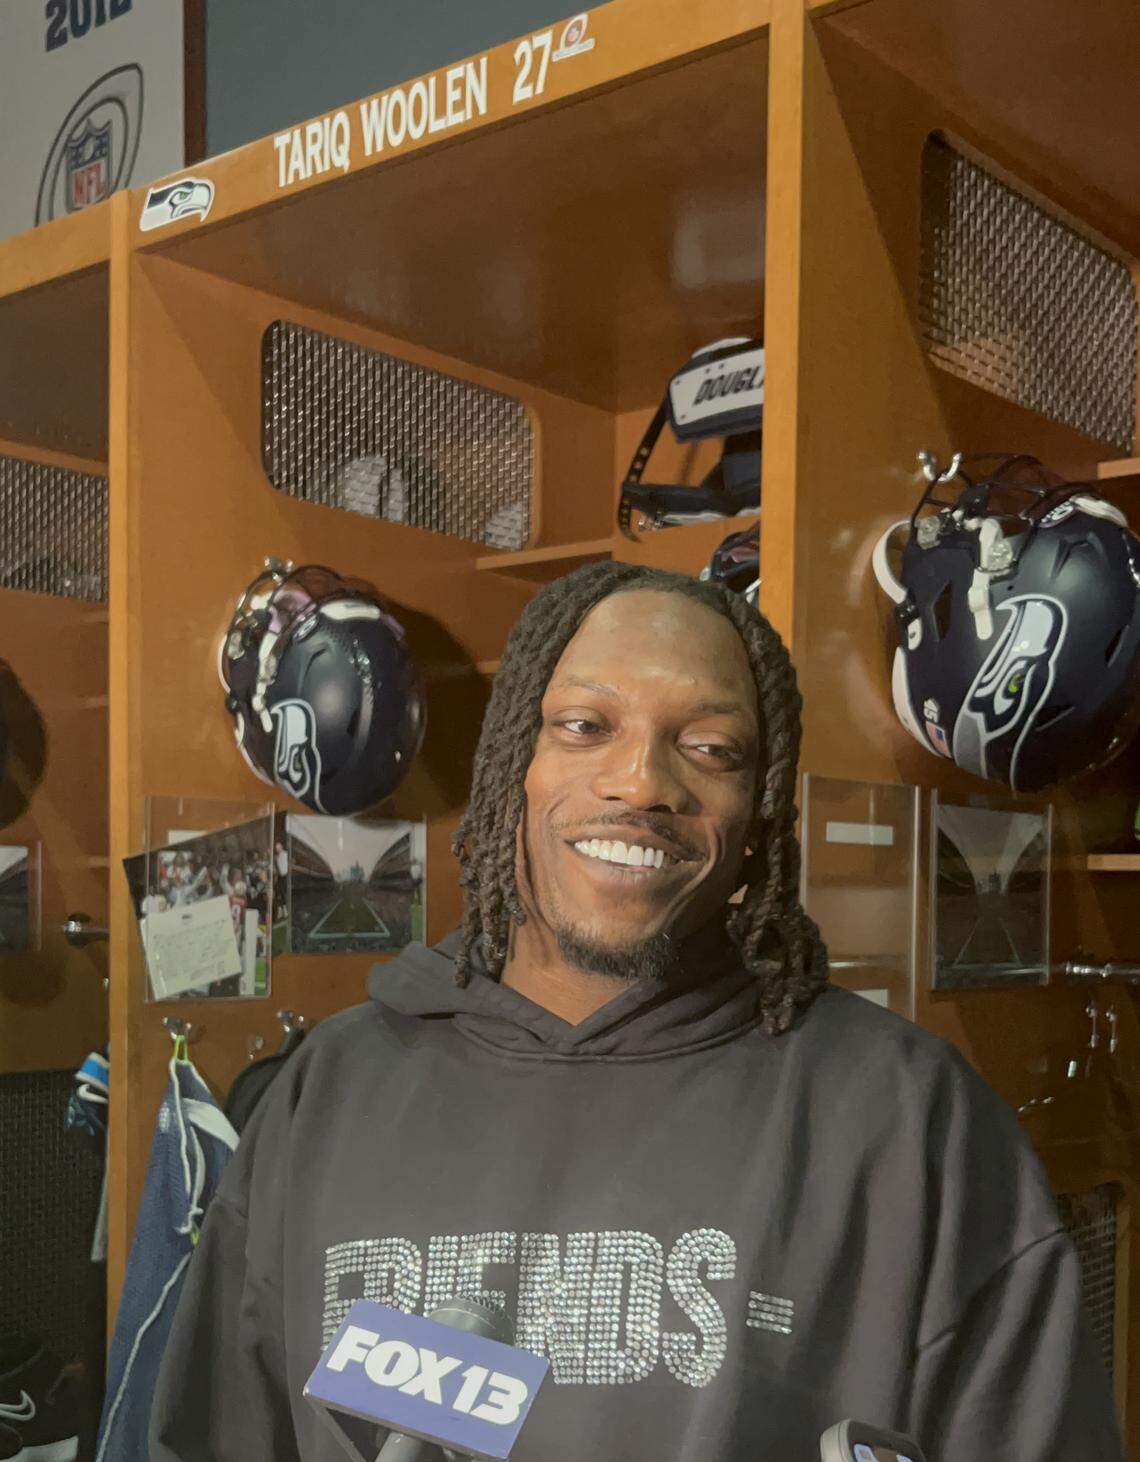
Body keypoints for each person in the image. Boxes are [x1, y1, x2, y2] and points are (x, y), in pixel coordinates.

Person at [149, 562, 1121, 1462]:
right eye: (583, 726)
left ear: (761, 814)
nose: (643, 783)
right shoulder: (330, 1093)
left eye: (711, 747)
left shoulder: (912, 1124)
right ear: (509, 769)